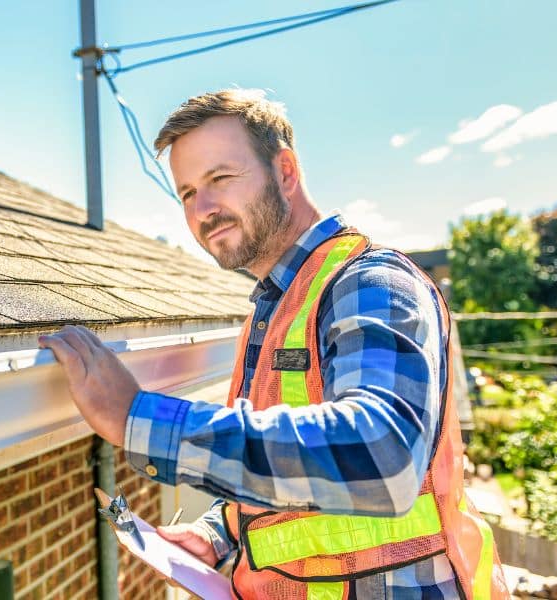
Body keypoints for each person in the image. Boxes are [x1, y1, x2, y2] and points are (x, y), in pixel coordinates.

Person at [39, 89, 507, 599]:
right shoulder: (276, 309)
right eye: (188, 192)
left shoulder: (368, 283)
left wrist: (138, 418)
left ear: (285, 170)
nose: (204, 208)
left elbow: (383, 455)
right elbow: (293, 472)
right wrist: (217, 530)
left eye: (220, 179)